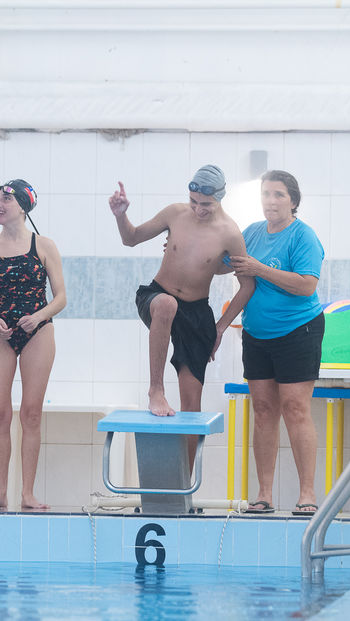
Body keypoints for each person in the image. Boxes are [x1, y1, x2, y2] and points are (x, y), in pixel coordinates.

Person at [108, 165, 255, 440]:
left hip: (196, 312)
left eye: (206, 205)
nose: (199, 209)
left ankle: (186, 482)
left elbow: (248, 285)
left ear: (221, 198)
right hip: (156, 296)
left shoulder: (230, 234)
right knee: (167, 305)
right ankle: (156, 390)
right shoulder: (175, 213)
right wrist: (121, 215)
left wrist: (221, 327)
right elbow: (131, 239)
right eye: (194, 202)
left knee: (191, 409)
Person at [228, 170, 324, 516]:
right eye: (267, 194)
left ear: (293, 202)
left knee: (295, 409)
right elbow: (223, 259)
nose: (271, 200)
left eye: (279, 195)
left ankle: (307, 494)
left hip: (299, 331)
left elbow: (305, 285)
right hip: (257, 335)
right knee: (264, 411)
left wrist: (259, 268)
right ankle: (264, 493)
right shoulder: (252, 232)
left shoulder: (303, 237)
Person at [0, 179, 66, 510]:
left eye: (6, 198)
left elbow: (62, 298)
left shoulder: (44, 246)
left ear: (24, 206)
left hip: (38, 333)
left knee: (31, 413)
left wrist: (38, 317)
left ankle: (27, 493)